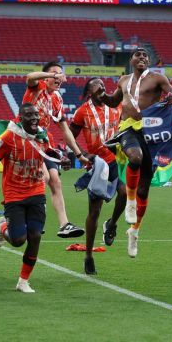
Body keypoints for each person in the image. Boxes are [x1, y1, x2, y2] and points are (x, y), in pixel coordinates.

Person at [97, 48, 172, 258]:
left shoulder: (157, 79)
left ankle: (132, 231)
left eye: (146, 55)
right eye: (138, 55)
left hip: (150, 132)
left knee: (143, 190)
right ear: (131, 60)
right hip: (128, 128)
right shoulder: (123, 80)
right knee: (135, 158)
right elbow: (113, 101)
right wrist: (101, 95)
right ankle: (130, 203)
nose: (143, 57)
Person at [0, 103, 49, 293]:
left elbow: (48, 154)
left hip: (36, 191)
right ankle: (2, 225)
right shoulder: (10, 136)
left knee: (35, 236)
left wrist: (62, 160)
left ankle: (23, 281)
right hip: (14, 194)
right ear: (20, 118)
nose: (34, 118)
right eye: (29, 115)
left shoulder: (43, 136)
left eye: (36, 114)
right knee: (19, 240)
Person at [64, 77, 127, 275]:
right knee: (94, 211)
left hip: (117, 159)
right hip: (99, 165)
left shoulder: (117, 106)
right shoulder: (82, 111)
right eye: (97, 86)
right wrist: (76, 155)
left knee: (124, 193)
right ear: (90, 93)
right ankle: (89, 255)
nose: (102, 87)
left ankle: (112, 224)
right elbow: (70, 136)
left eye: (103, 85)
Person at [22, 62, 84, 239]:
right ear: (46, 76)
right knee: (46, 177)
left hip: (43, 142)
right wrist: (52, 75)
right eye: (55, 74)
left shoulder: (57, 98)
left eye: (61, 74)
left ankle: (64, 224)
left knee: (55, 181)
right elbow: (30, 77)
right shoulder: (36, 87)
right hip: (25, 139)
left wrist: (78, 154)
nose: (59, 77)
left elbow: (64, 129)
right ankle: (32, 220)